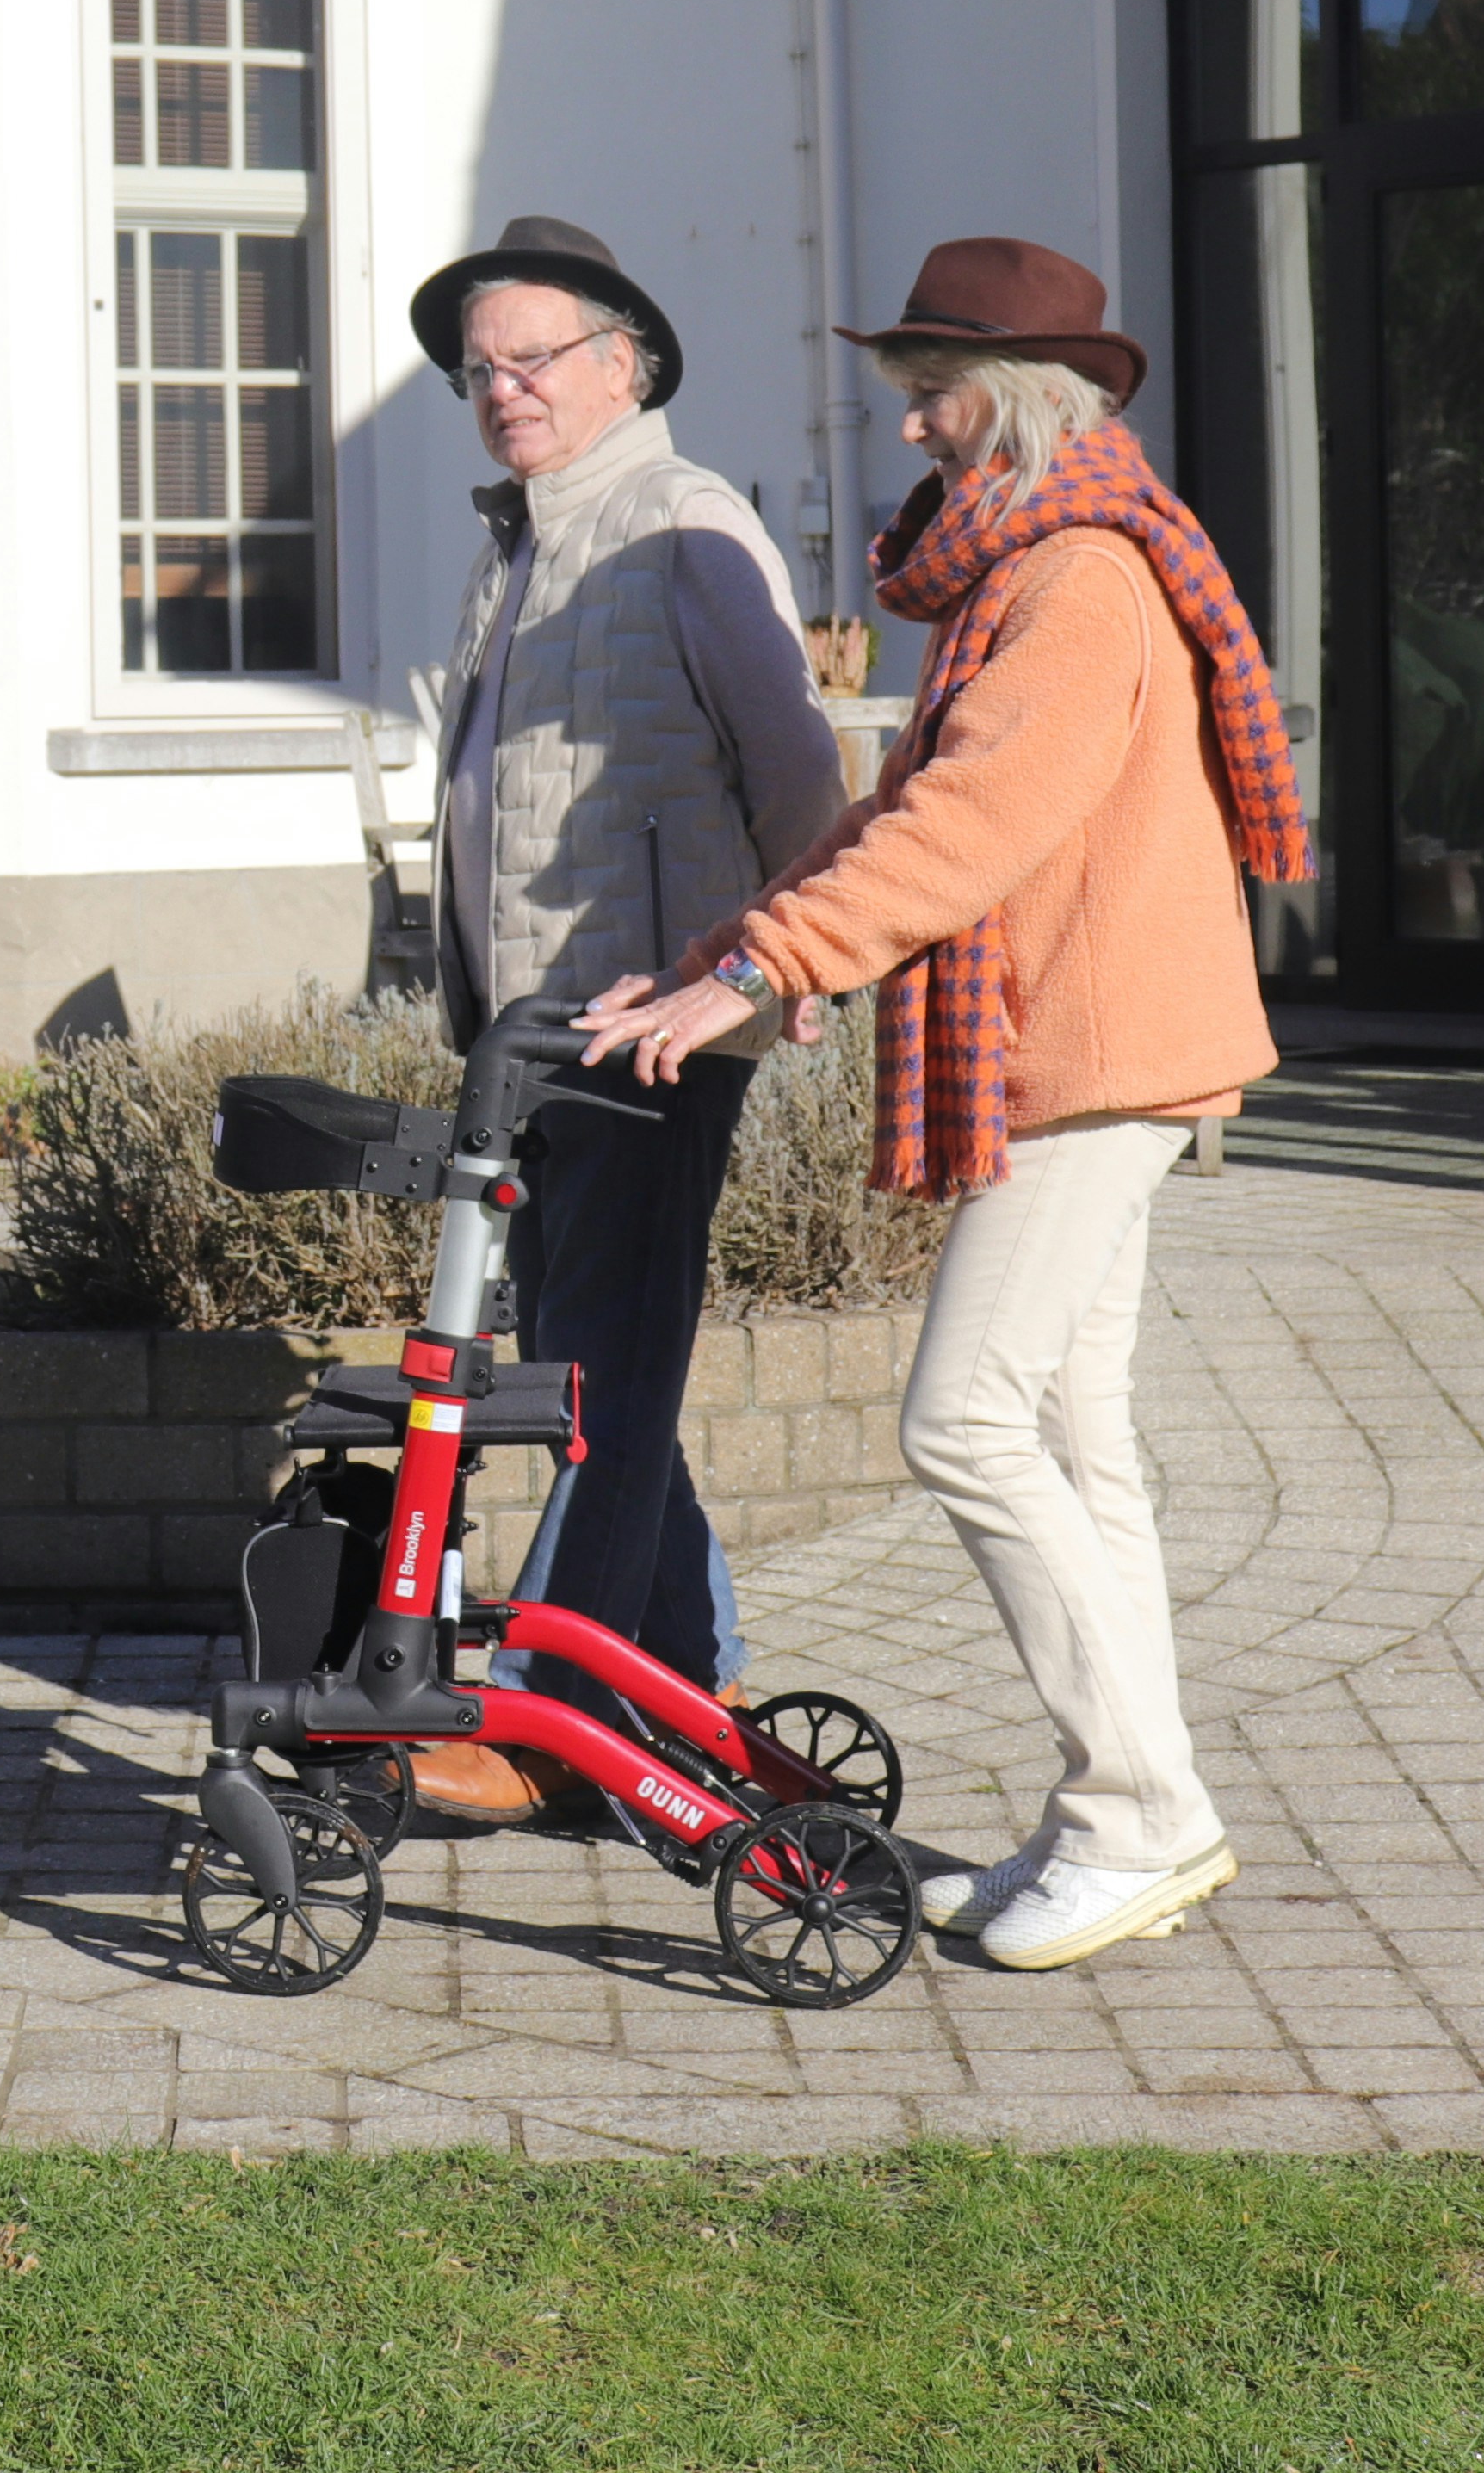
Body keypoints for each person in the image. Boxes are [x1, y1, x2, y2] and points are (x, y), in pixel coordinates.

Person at [577, 235, 1308, 1972]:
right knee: (1070, 1436)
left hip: (1099, 1061)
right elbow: (895, 806)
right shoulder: (1020, 572)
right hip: (1085, 1055)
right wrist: (726, 945)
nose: (907, 418)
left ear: (1035, 398)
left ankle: (1144, 1810)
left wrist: (757, 973)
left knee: (961, 1422)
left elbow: (965, 826)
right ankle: (1118, 1809)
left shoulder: (1079, 586)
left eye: (934, 383)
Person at [392, 217, 847, 1831]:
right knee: (596, 1370)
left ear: (623, 363)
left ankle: (554, 1727)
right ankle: (683, 1673)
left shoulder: (679, 521)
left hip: (649, 1032)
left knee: (604, 1382)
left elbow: (796, 766)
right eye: (477, 369)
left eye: (531, 358)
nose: (501, 388)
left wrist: (795, 964)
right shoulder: (520, 538)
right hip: (533, 1040)